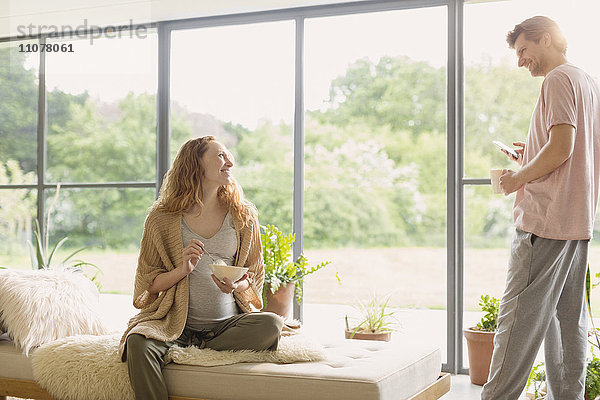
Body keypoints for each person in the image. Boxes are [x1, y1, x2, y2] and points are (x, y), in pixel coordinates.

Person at [481, 16, 600, 400]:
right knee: (568, 325)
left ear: (545, 39)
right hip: (576, 221)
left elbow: (562, 148)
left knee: (516, 322)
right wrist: (529, 152)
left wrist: (518, 177)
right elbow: (571, 147)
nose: (520, 62)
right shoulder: (586, 81)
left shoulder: (558, 79)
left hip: (544, 221)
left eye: (524, 51)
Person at [119, 136, 283, 400]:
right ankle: (186, 344)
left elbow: (253, 276)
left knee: (272, 325)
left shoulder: (243, 214)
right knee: (138, 342)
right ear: (195, 163)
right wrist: (181, 270)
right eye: (220, 156)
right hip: (176, 325)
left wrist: (235, 286)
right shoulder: (161, 218)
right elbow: (147, 283)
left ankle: (203, 346)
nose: (230, 161)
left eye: (229, 156)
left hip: (226, 327)